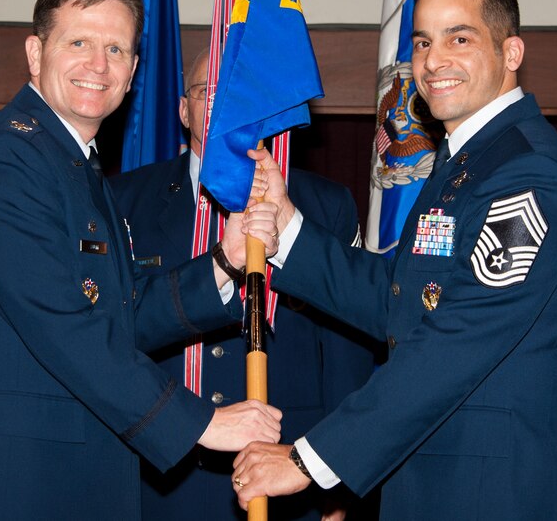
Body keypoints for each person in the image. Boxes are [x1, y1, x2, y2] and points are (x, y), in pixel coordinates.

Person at [232, 0, 557, 519]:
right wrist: (288, 226)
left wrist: (308, 461)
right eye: (422, 42)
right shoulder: (465, 162)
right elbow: (404, 300)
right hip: (438, 483)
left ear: (511, 53)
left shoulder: (531, 174)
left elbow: (459, 339)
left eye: (460, 38)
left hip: (501, 494)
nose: (434, 62)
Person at [0, 0, 283, 520]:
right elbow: (64, 326)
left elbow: (121, 313)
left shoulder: (75, 166)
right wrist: (201, 423)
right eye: (78, 42)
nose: (98, 65)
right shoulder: (7, 163)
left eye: (116, 49)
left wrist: (224, 262)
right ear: (36, 53)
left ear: (133, 72)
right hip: (12, 481)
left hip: (71, 475)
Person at [110, 51, 380, 521]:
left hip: (289, 481)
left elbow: (347, 354)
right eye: (207, 92)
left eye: (238, 92)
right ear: (183, 109)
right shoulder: (122, 201)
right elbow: (110, 341)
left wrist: (339, 482)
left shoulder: (322, 204)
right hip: (158, 482)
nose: (224, 104)